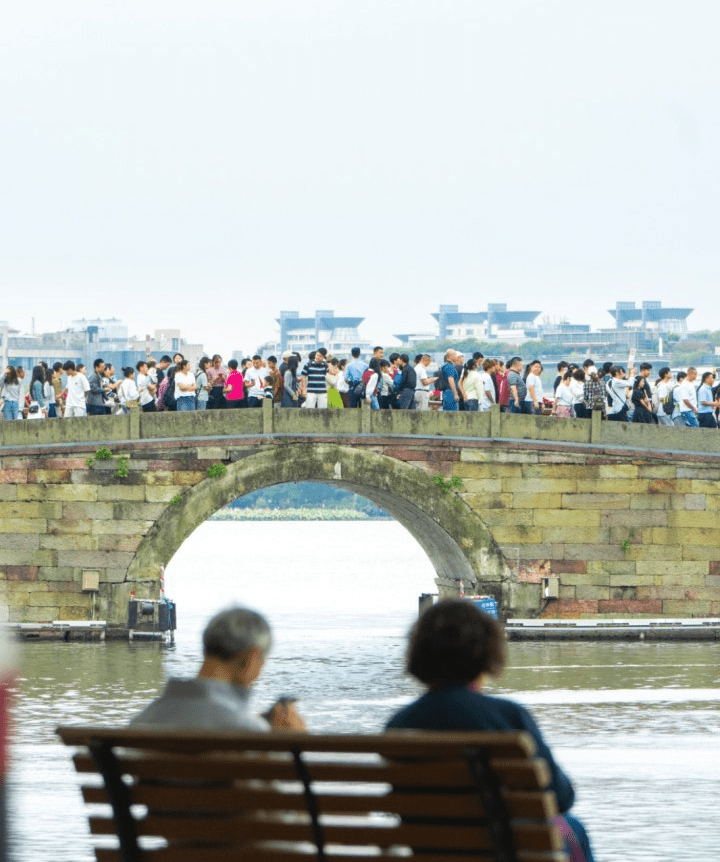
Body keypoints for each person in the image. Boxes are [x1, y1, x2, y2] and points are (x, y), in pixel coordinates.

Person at [386, 600, 595, 862]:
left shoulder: (398, 725)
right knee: (573, 829)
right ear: (488, 654)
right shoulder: (508, 716)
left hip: (433, 850)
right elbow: (560, 798)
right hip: (502, 850)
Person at [130, 606, 305, 731]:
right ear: (252, 658)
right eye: (262, 660)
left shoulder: (142, 721)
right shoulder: (247, 733)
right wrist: (289, 743)